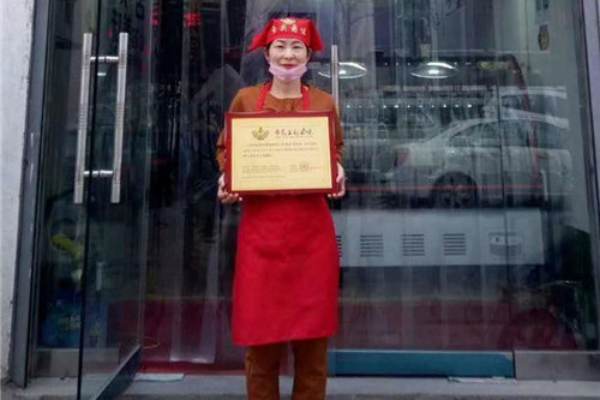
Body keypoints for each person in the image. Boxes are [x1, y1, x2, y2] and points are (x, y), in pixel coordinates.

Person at [216, 17, 345, 400]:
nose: (288, 55)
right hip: (261, 236)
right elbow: (227, 150)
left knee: (313, 347)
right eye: (280, 47)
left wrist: (338, 171)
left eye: (297, 47)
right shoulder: (245, 100)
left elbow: (335, 150)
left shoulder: (324, 103)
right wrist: (228, 179)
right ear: (267, 53)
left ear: (308, 55)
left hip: (311, 238)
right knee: (261, 345)